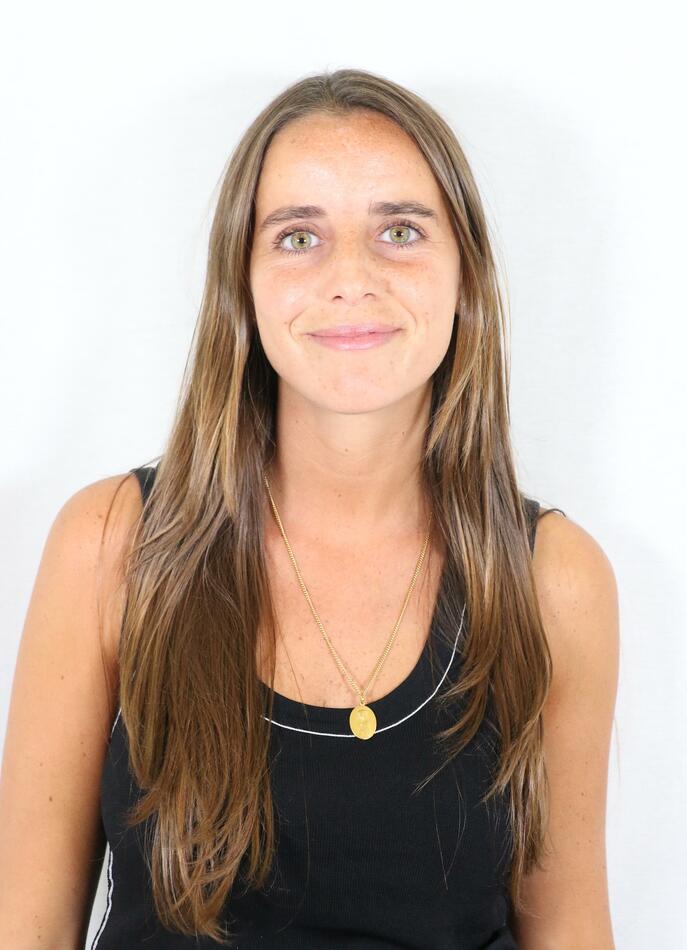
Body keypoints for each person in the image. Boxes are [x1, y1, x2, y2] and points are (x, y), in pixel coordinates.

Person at [0, 68, 619, 949]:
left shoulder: (552, 579)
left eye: (399, 231)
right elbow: (25, 928)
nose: (351, 278)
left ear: (464, 274)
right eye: (298, 237)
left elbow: (570, 928)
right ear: (242, 283)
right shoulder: (114, 545)